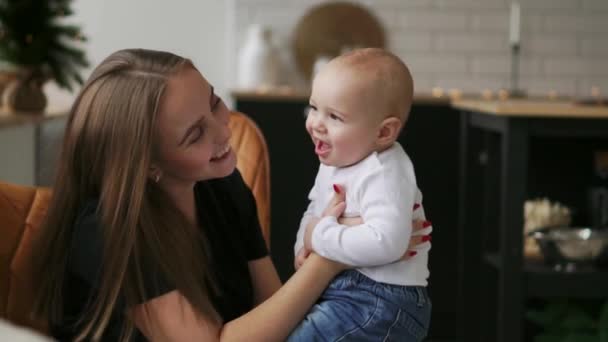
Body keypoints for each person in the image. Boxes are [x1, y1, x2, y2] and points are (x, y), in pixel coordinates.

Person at [31, 48, 429, 341]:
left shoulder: (222, 187)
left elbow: (276, 308)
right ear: (148, 166)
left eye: (214, 103)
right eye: (194, 134)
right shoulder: (107, 229)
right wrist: (331, 254)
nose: (224, 131)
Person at [291, 48, 432, 341]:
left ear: (383, 133)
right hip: (346, 290)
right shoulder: (335, 161)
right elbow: (315, 211)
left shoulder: (385, 171)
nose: (316, 123)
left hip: (383, 300)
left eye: (335, 117)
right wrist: (302, 248)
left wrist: (318, 237)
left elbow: (388, 243)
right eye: (314, 108)